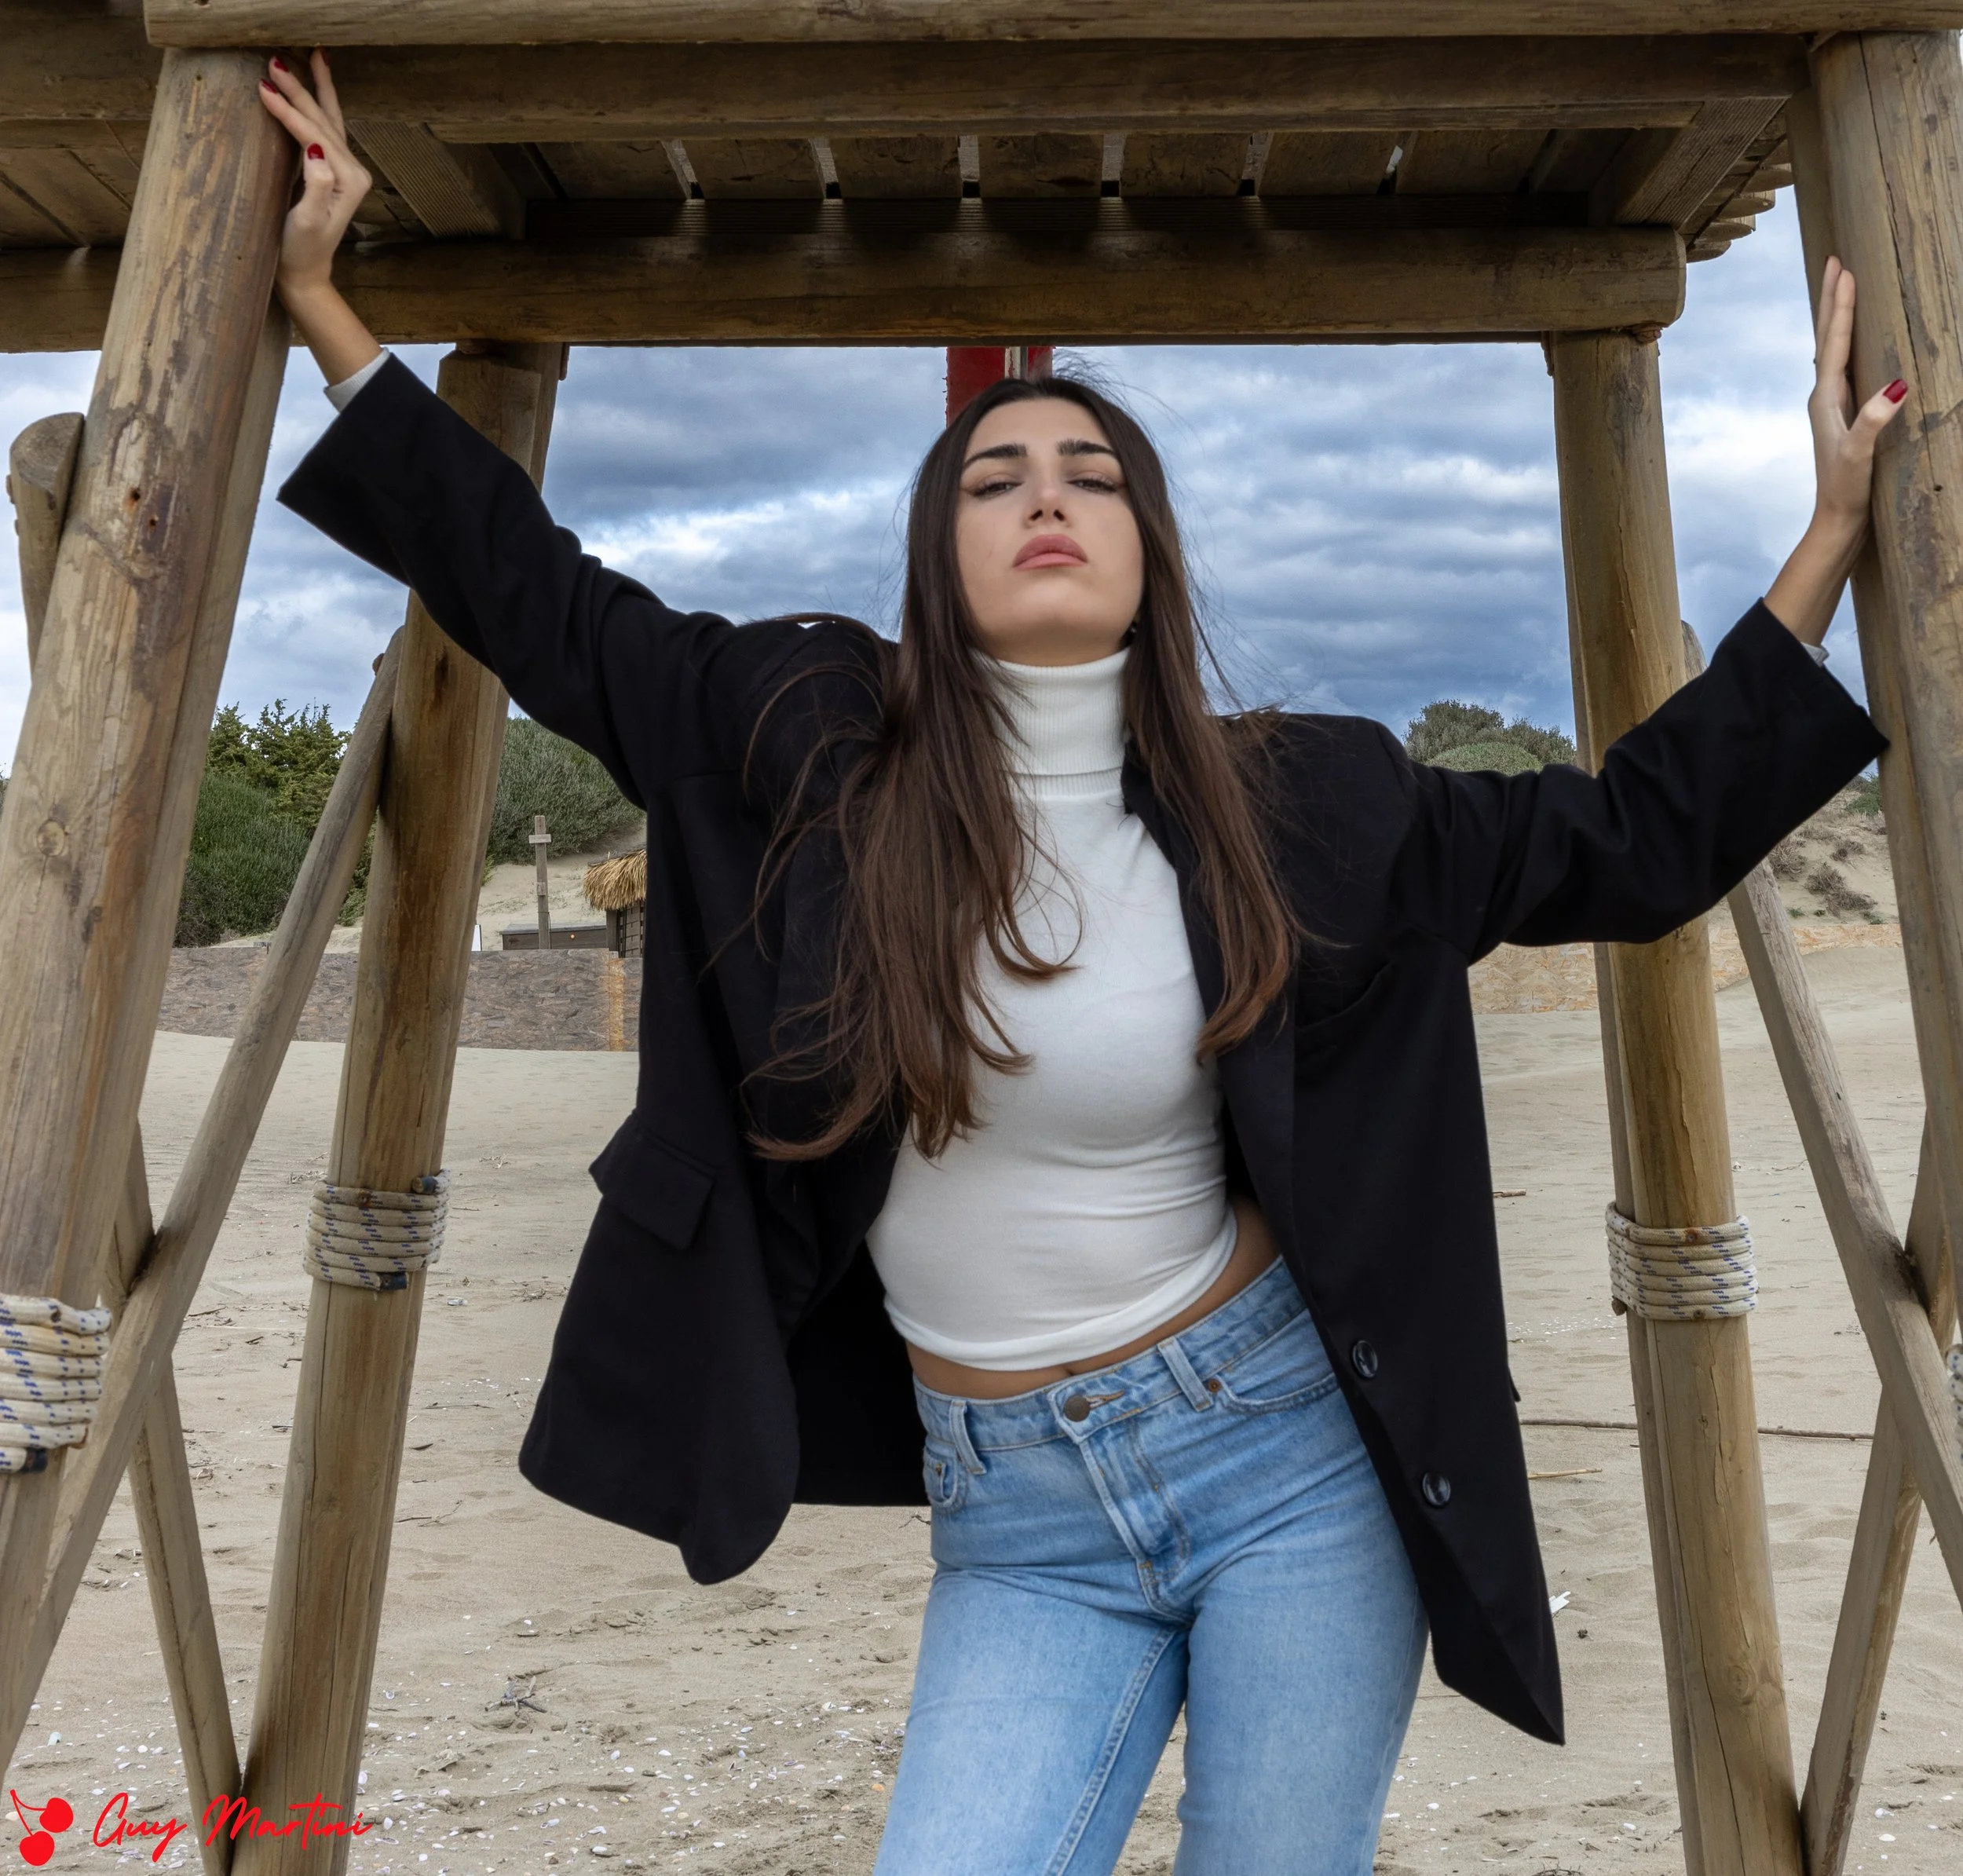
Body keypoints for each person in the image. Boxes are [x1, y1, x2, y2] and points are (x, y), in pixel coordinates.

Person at [258, 53, 1902, 1876]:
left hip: (1283, 1467)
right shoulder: (799, 737)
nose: (1044, 495)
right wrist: (325, 307)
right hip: (1012, 1521)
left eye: (1090, 474)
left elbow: (1629, 843)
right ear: (938, 550)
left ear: (1146, 545)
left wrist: (1826, 535)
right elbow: (537, 595)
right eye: (994, 477)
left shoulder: (1313, 806)